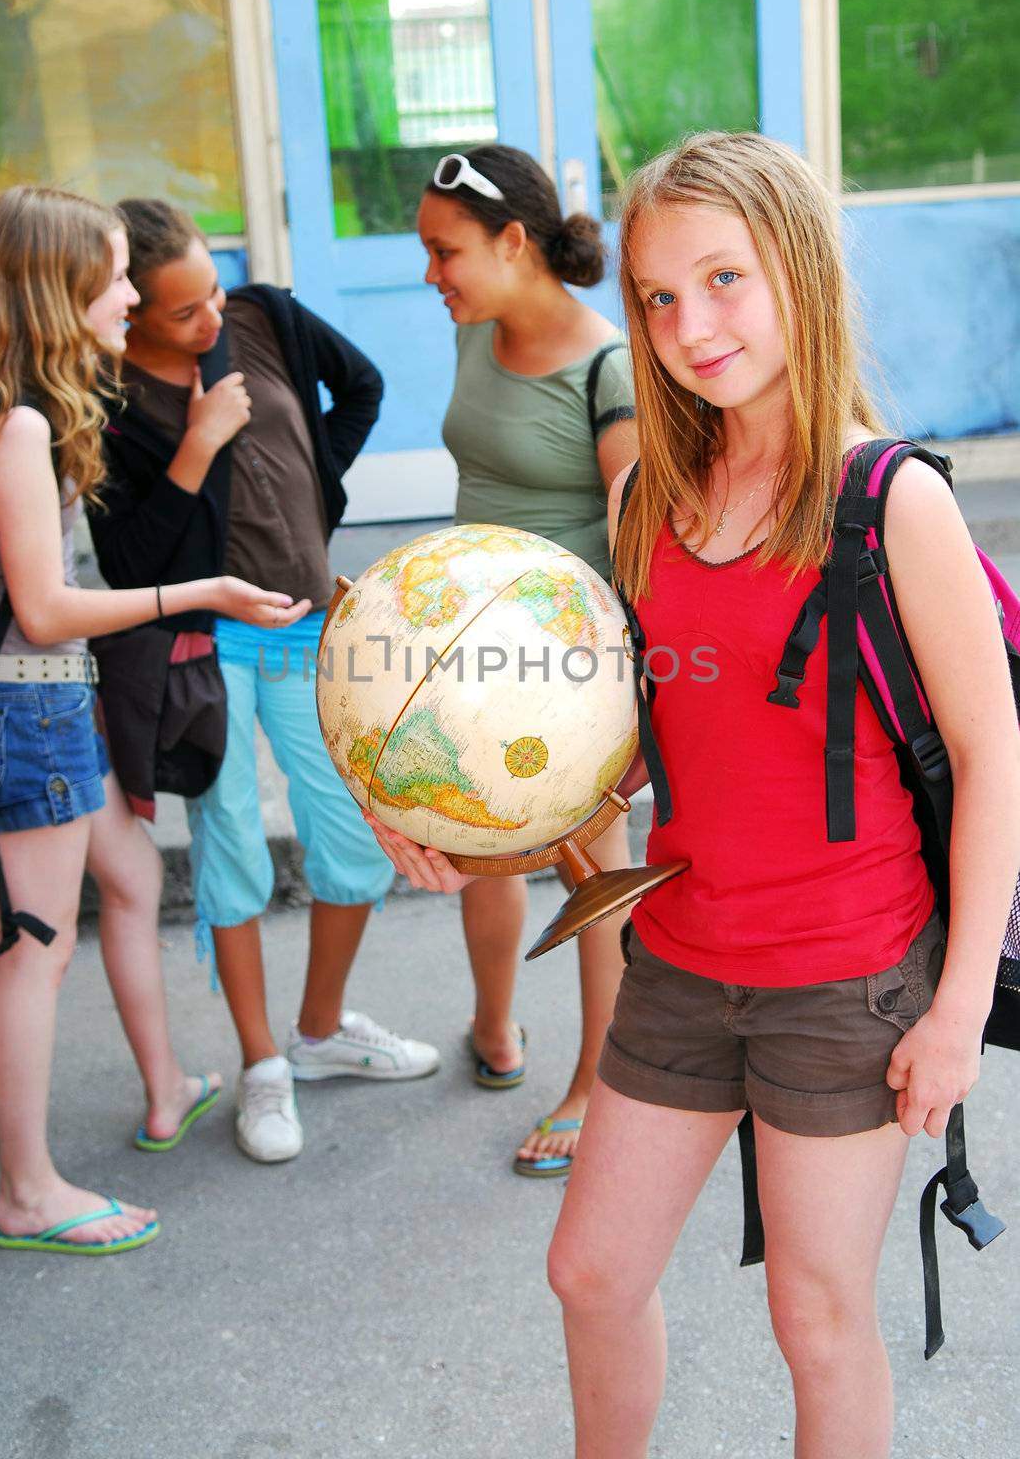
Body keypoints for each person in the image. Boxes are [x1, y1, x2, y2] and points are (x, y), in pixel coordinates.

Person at [371, 132, 1020, 1456]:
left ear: (795, 269)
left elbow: (992, 753)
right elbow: (607, 747)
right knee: (590, 1275)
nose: (687, 326)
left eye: (722, 280)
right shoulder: (642, 496)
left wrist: (953, 1013)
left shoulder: (887, 500)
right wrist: (441, 811)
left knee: (815, 1317)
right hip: (675, 957)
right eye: (657, 297)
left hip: (845, 979)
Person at [0, 186, 309, 1255]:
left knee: (136, 876)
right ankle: (28, 1190)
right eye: (110, 276)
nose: (126, 294)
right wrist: (201, 593)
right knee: (36, 948)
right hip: (31, 709)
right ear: (59, 290)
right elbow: (46, 607)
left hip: (47, 702)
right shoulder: (15, 426)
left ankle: (167, 1089)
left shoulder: (8, 404)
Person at [88, 200, 440, 1167]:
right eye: (182, 313)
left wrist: (314, 481)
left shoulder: (263, 317)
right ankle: (261, 1064)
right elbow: (130, 567)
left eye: (211, 293)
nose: (211, 323)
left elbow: (360, 387)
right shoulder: (106, 404)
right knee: (234, 846)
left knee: (357, 843)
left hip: (314, 622)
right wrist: (199, 446)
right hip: (211, 648)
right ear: (128, 316)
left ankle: (318, 1033)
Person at [414, 145, 639, 1176]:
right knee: (469, 839)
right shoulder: (474, 329)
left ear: (514, 241)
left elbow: (639, 541)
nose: (432, 274)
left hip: (568, 670)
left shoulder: (610, 369)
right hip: (465, 651)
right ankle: (496, 1028)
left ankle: (597, 1083)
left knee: (589, 866)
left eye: (444, 251)